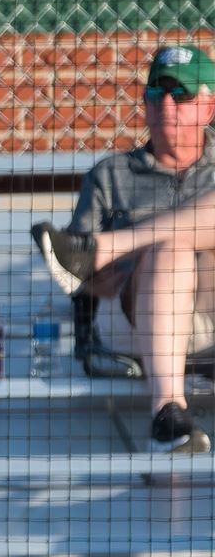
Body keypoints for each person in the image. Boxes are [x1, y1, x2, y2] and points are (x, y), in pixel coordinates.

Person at [31, 42, 215, 454]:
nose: (167, 103)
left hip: (211, 316)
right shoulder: (110, 175)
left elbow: (68, 258)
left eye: (181, 94)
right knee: (170, 251)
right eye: (157, 93)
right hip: (134, 321)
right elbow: (78, 283)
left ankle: (102, 246)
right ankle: (168, 411)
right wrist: (107, 273)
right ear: (146, 106)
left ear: (207, 108)